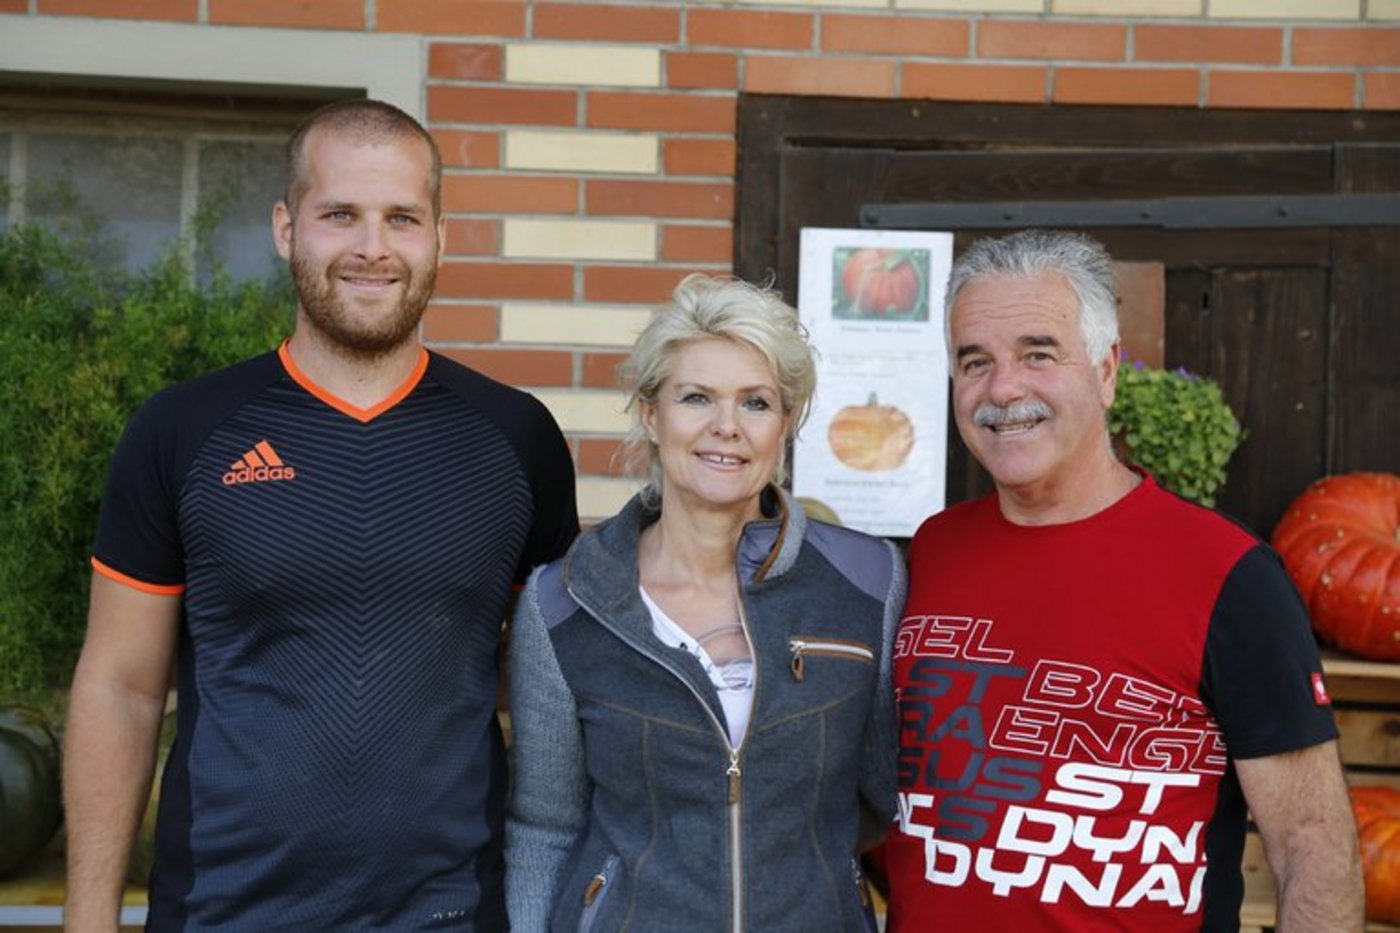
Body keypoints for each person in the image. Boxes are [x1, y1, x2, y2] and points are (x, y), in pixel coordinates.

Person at [63, 99, 578, 932]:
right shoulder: (182, 431)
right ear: (285, 228)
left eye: (401, 218)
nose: (372, 247)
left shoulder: (516, 440)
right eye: (340, 214)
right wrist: (89, 917)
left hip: (450, 914)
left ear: (441, 236)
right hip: (222, 911)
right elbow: (120, 686)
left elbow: (548, 697)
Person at [881, 229, 1363, 931]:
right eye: (974, 360)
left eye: (1037, 353)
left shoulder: (1227, 575)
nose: (1002, 387)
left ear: (1106, 370)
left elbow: (1311, 845)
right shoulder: (932, 551)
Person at [505, 274, 905, 931]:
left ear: (786, 422)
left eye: (756, 402)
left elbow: (885, 798)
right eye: (697, 397)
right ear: (651, 412)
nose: (727, 427)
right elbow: (544, 826)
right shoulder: (566, 601)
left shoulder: (865, 581)